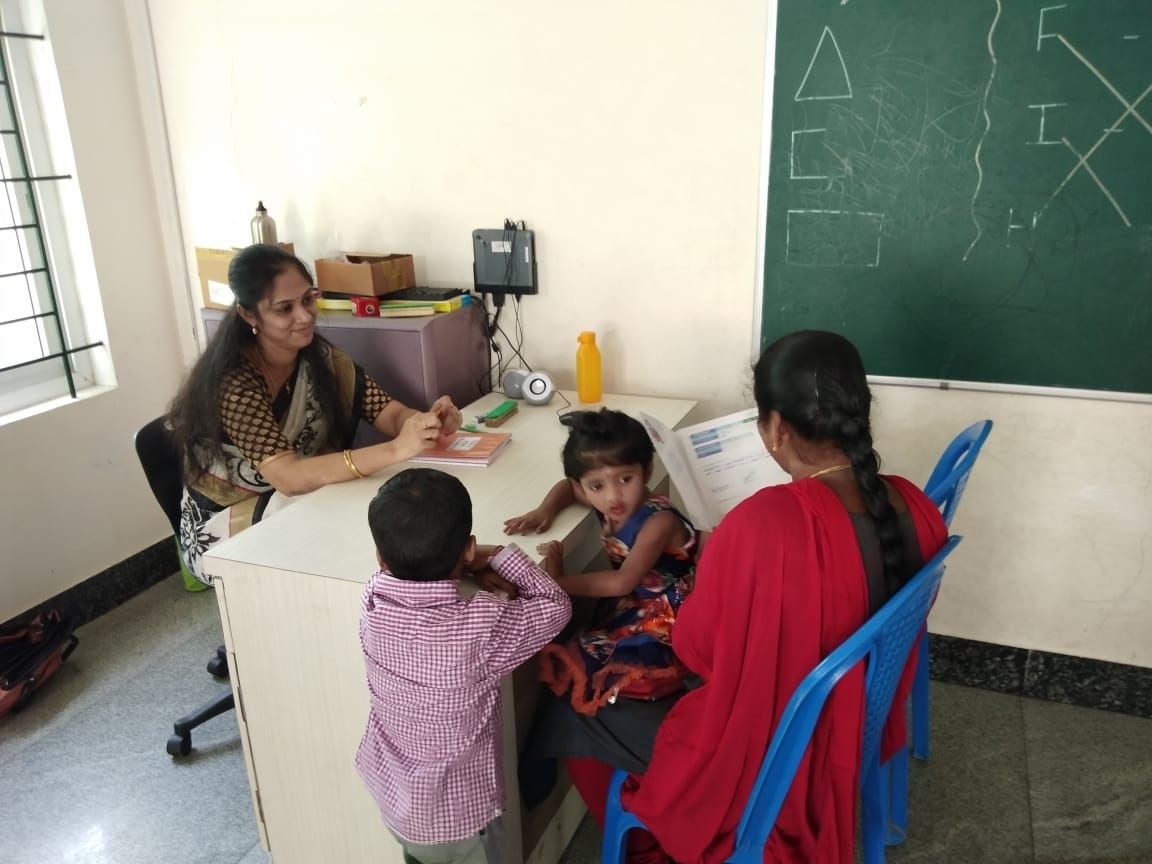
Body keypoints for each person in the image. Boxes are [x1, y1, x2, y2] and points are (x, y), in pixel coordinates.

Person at [526, 331, 948, 864]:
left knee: (571, 706)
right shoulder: (913, 502)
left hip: (772, 746)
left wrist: (716, 562)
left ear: (775, 429)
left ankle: (642, 848)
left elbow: (698, 653)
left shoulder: (763, 524)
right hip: (857, 714)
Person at [167, 243, 463, 586]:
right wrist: (398, 449)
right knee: (365, 524)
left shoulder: (318, 357)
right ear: (249, 315)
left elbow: (389, 412)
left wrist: (425, 422)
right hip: (227, 526)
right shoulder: (233, 383)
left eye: (308, 299)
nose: (305, 316)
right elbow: (289, 478)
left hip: (304, 497)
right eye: (284, 309)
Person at [355, 468, 571, 864]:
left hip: (395, 797)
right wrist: (498, 556)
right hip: (463, 818)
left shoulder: (372, 600)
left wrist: (457, 562)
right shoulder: (480, 626)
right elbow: (555, 607)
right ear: (468, 549)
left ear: (380, 557)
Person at [503, 408, 698, 716]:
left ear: (646, 471)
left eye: (625, 479)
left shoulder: (656, 521)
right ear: (585, 487)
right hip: (636, 600)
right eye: (597, 486)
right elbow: (567, 487)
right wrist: (545, 511)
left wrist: (559, 582)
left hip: (670, 614)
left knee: (605, 659)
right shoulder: (605, 498)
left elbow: (623, 581)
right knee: (587, 647)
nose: (613, 496)